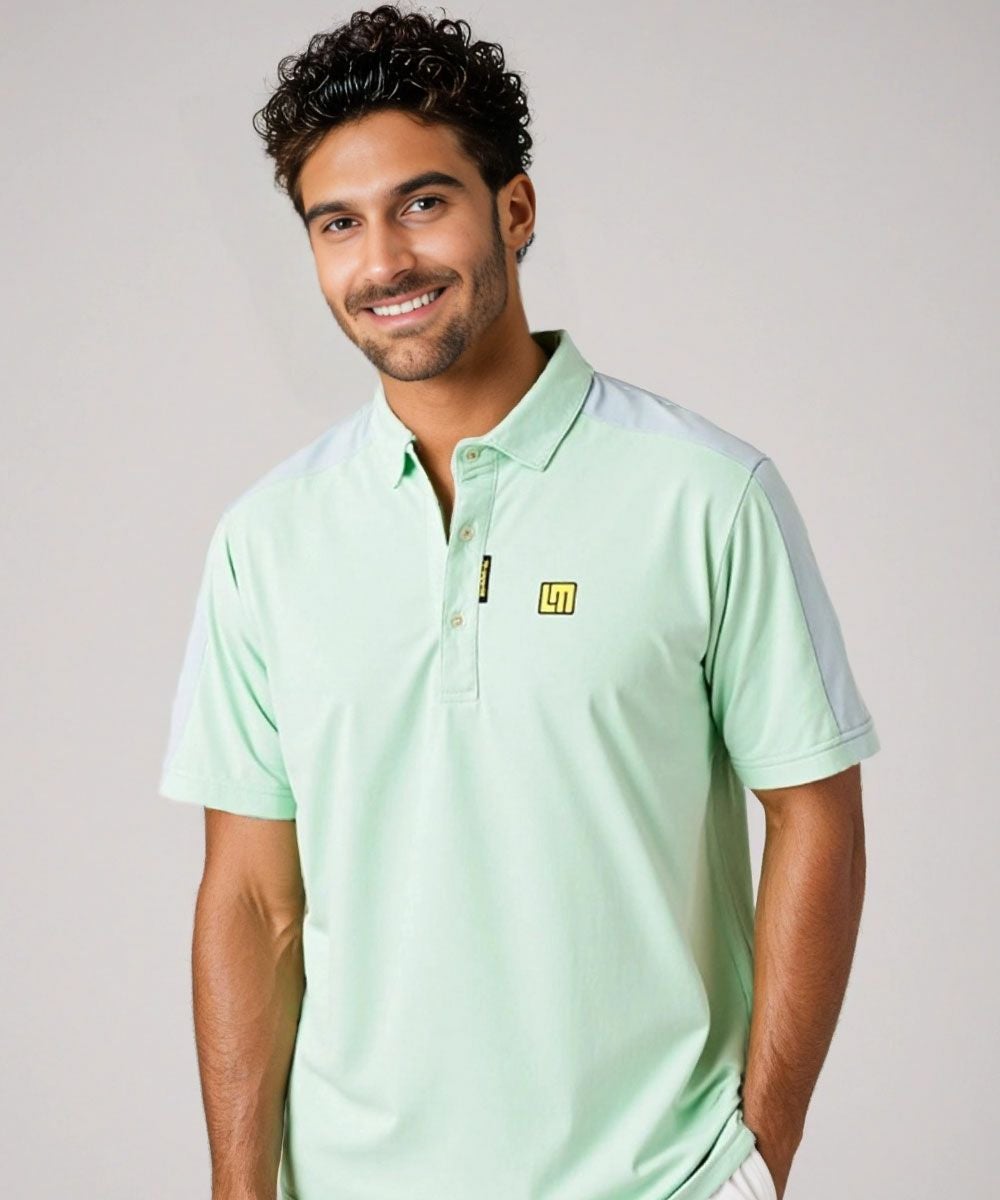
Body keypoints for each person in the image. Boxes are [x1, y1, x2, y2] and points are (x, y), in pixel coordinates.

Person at [157, 6, 881, 1200]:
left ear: (515, 209)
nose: (383, 261)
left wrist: (758, 1155)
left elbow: (816, 813)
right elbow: (249, 899)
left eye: (422, 203)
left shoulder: (705, 495)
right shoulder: (266, 540)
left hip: (655, 1181)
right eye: (338, 223)